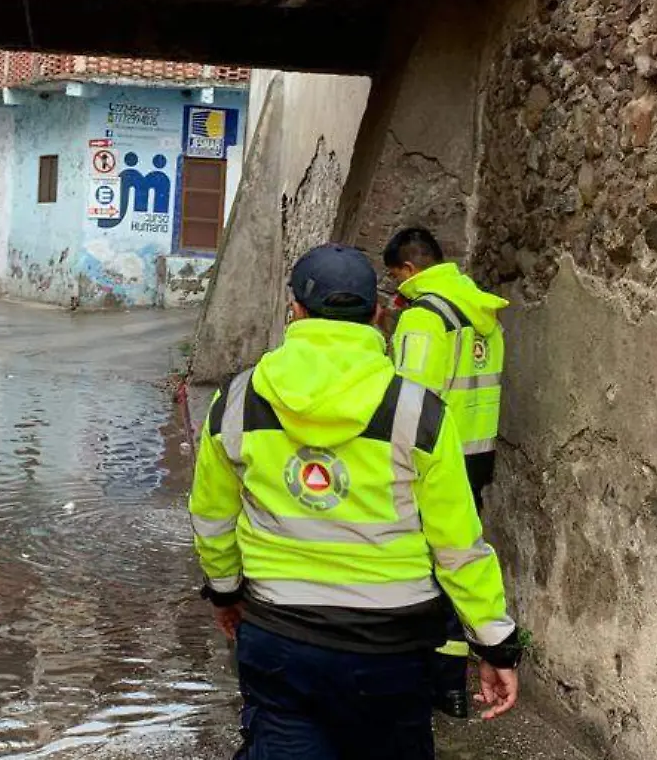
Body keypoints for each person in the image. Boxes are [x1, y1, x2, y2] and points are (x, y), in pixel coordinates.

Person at [188, 244, 522, 759]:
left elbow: (212, 517)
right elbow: (458, 545)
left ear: (294, 309)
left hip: (281, 637)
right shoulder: (419, 411)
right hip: (390, 648)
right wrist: (494, 643)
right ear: (378, 314)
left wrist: (226, 593)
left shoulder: (237, 400)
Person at [382, 226, 510, 717]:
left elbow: (407, 399)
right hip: (476, 454)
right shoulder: (483, 311)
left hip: (431, 458)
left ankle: (435, 680)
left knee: (426, 567)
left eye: (396, 276)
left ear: (410, 270)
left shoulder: (423, 318)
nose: (396, 285)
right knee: (459, 559)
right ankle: (453, 685)